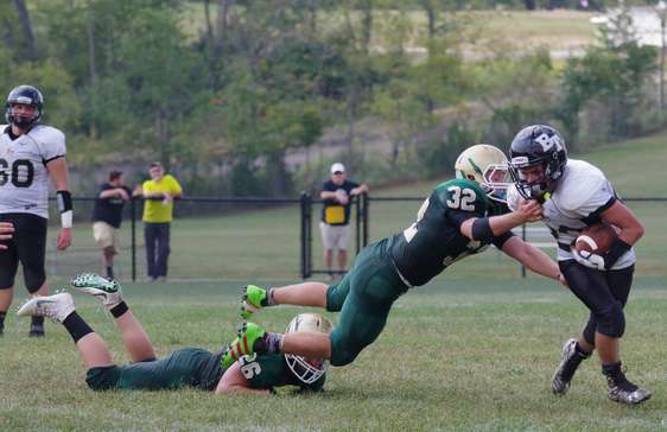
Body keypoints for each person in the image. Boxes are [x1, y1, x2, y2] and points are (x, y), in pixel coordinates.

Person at [223, 144, 566, 374]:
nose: (505, 183)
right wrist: (518, 217)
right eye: (495, 176)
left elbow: (519, 249)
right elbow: (473, 229)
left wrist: (559, 273)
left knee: (335, 297)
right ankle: (260, 339)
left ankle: (263, 295)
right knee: (341, 351)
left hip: (380, 260)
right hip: (385, 278)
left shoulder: (490, 209)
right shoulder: (457, 194)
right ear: (471, 176)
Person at [506, 124, 650, 405]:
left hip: (615, 249)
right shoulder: (518, 195)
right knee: (610, 316)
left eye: (537, 170)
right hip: (570, 256)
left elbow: (634, 228)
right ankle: (617, 383)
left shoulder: (581, 185)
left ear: (556, 162)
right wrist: (521, 217)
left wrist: (605, 257)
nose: (530, 178)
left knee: (602, 318)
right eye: (525, 172)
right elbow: (507, 218)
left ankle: (573, 357)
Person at [16, 273, 332, 395]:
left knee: (144, 365)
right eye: (309, 352)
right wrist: (266, 394)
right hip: (190, 371)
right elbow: (225, 388)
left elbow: (312, 385)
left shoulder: (315, 371)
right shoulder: (267, 356)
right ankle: (64, 311)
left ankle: (114, 301)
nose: (314, 362)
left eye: (315, 354)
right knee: (104, 380)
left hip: (193, 363)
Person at [0, 84, 73, 337]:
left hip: (31, 213)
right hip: (1, 214)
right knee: (2, 273)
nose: (22, 112)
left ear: (37, 111)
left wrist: (66, 225)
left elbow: (62, 186)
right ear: (10, 108)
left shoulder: (48, 138)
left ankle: (37, 325)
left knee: (33, 272)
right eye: (18, 106)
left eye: (28, 107)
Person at [136, 162, 182, 282]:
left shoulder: (169, 180)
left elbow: (179, 192)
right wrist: (163, 194)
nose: (156, 173)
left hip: (164, 220)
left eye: (158, 170)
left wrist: (170, 195)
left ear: (163, 171)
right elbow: (147, 194)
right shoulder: (148, 184)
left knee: (164, 248)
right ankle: (151, 275)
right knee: (150, 248)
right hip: (149, 220)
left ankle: (161, 274)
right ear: (150, 173)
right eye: (153, 171)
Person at [320, 162, 368, 278]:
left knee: (343, 249)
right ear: (332, 175)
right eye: (336, 174)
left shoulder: (349, 185)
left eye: (340, 173)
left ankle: (341, 272)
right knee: (329, 249)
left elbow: (364, 187)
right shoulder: (328, 185)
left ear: (344, 174)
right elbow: (323, 195)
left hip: (344, 224)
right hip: (328, 224)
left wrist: (358, 190)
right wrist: (335, 195)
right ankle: (330, 273)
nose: (338, 176)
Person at [91, 170, 132, 280]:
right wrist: (118, 191)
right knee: (105, 241)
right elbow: (102, 195)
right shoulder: (105, 187)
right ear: (116, 179)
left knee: (111, 250)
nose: (124, 181)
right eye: (122, 178)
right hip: (101, 221)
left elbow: (131, 196)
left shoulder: (126, 189)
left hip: (115, 224)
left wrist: (138, 192)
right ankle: (107, 271)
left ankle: (108, 271)